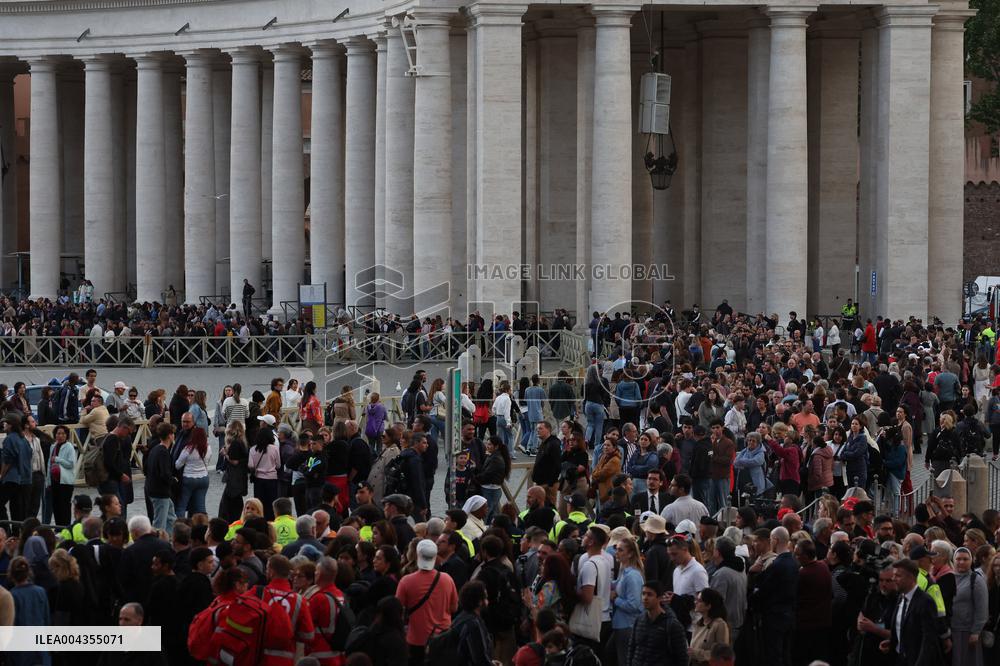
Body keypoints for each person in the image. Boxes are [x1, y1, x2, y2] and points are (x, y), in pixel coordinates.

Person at [395, 539, 458, 666]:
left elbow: (397, 610)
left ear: (417, 555)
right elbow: (454, 608)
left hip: (416, 639)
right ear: (435, 557)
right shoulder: (447, 579)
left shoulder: (406, 581)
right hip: (442, 638)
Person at [882, 559, 944, 665]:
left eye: (898, 576)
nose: (893, 579)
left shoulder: (925, 602)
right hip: (899, 659)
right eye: (894, 575)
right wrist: (894, 643)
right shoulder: (901, 597)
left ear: (911, 577)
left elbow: (928, 640)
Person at [627, 579, 689, 666]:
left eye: (650, 594)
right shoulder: (639, 620)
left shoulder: (672, 625)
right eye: (643, 594)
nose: (645, 598)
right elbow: (632, 648)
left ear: (660, 598)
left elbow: (682, 658)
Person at [8, 556, 52, 666]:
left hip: (20, 652)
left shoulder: (11, 596)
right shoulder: (41, 592)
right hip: (40, 650)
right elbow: (47, 620)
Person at [951, 546, 989, 666]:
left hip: (967, 631)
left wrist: (976, 632)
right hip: (951, 629)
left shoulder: (976, 580)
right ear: (953, 560)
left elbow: (982, 608)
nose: (961, 562)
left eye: (965, 559)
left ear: (971, 561)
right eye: (958, 559)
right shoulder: (949, 578)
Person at [610, 535, 644, 666]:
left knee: (624, 660)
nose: (616, 553)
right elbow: (616, 584)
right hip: (621, 624)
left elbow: (634, 605)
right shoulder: (624, 571)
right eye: (616, 549)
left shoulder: (633, 576)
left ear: (630, 554)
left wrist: (615, 599)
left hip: (627, 625)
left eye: (620, 550)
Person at [145, 423, 177, 533]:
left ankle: (171, 538)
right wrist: (173, 480)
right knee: (159, 522)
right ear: (169, 435)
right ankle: (157, 542)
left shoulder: (155, 449)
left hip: (154, 489)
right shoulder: (163, 452)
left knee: (171, 517)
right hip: (160, 491)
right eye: (173, 434)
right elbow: (165, 473)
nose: (174, 436)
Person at [176, 425, 211, 518]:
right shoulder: (208, 448)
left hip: (189, 478)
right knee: (200, 507)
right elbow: (207, 463)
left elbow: (178, 465)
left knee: (181, 506)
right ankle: (202, 527)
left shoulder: (188, 448)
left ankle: (181, 527)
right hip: (204, 478)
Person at [689, 588, 730, 666]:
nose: (695, 602)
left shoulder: (720, 624)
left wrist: (696, 653)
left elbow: (722, 654)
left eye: (699, 600)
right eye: (696, 599)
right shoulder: (698, 623)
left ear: (708, 606)